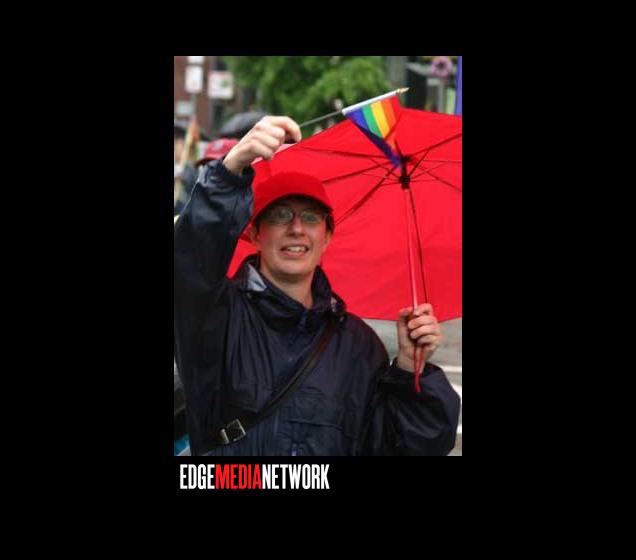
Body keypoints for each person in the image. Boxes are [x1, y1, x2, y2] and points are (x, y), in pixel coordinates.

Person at [174, 116, 460, 456]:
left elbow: (401, 447)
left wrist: (411, 371)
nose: (297, 229)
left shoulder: (360, 346)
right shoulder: (214, 315)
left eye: (311, 217)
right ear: (255, 234)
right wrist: (230, 171)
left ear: (327, 237)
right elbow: (191, 261)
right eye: (280, 215)